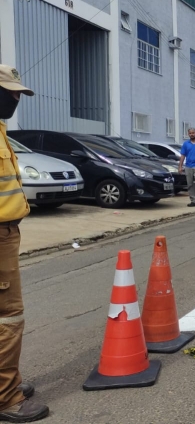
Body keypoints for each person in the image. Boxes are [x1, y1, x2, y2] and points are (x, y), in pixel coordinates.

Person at [0, 65, 49, 422]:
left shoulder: (1, 131)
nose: (16, 98)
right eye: (10, 91)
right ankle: (6, 399)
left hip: (7, 233)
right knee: (8, 319)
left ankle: (8, 382)